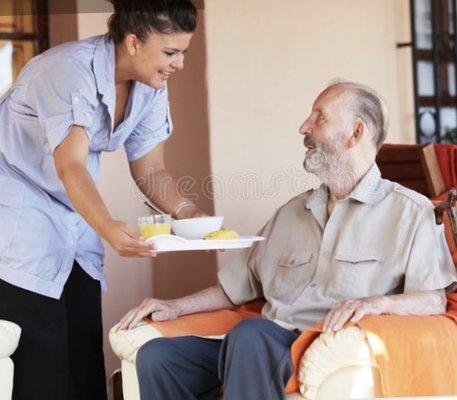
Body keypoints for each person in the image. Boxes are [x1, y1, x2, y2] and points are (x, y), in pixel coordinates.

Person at [120, 81, 457, 400]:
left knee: (252, 336)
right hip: (260, 346)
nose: (304, 127)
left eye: (319, 117)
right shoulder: (291, 212)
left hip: (320, 344)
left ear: (356, 133)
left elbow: (432, 300)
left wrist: (376, 304)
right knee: (157, 356)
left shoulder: (409, 212)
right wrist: (173, 306)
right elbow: (235, 287)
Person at [0, 1, 206, 399]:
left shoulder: (150, 85)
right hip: (18, 214)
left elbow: (151, 172)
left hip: (76, 215)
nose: (178, 64)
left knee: (84, 359)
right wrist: (109, 227)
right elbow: (71, 165)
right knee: (40, 366)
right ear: (132, 42)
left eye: (183, 52)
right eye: (170, 52)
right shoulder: (66, 70)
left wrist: (190, 216)